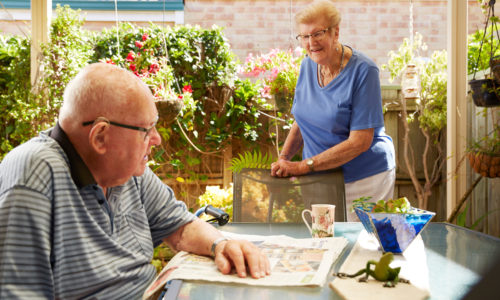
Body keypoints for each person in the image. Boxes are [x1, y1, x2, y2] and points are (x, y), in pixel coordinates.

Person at [0, 63, 270, 299]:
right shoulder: (34, 175)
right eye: (146, 130)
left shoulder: (125, 173)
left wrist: (220, 245)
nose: (157, 139)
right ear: (100, 137)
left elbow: (180, 227)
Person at [270, 0, 396, 221]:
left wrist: (302, 166)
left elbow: (360, 142)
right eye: (305, 36)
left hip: (364, 179)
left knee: (360, 246)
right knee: (322, 241)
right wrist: (284, 158)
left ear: (335, 33)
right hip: (319, 177)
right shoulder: (307, 66)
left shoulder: (364, 71)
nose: (311, 43)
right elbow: (302, 120)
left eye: (318, 34)